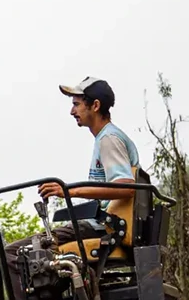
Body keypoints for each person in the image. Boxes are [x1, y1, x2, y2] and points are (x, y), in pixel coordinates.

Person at [35, 76, 140, 243]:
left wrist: (68, 191)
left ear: (95, 106)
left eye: (76, 104)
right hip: (102, 224)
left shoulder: (109, 138)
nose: (72, 111)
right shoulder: (104, 138)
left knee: (17, 254)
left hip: (104, 227)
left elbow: (127, 187)